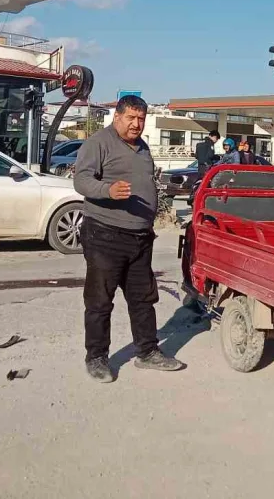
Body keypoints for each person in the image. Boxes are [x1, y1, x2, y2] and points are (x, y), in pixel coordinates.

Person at [74, 95, 184, 383]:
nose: (137, 124)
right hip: (105, 234)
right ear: (117, 117)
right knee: (100, 301)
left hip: (139, 238)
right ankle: (96, 358)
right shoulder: (98, 143)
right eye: (131, 118)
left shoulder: (142, 147)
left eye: (141, 119)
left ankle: (147, 353)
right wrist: (107, 190)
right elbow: (81, 180)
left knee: (143, 299)